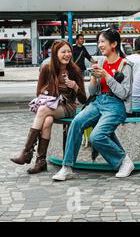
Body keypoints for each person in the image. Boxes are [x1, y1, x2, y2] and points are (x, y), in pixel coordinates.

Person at [52, 28, 135, 181]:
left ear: (114, 44)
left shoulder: (125, 65)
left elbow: (124, 94)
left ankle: (124, 161)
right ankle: (67, 167)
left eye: (103, 41)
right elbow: (92, 91)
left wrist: (106, 76)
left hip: (116, 105)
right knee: (76, 123)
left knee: (96, 136)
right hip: (98, 101)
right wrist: (95, 79)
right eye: (99, 42)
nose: (100, 45)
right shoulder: (101, 61)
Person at [11, 41, 86, 174]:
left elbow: (83, 99)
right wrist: (54, 90)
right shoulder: (47, 69)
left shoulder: (75, 70)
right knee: (47, 121)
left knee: (42, 110)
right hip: (51, 105)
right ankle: (41, 161)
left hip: (68, 106)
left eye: (69, 51)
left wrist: (75, 86)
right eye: (63, 52)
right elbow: (39, 92)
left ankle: (26, 152)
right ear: (55, 54)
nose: (67, 54)